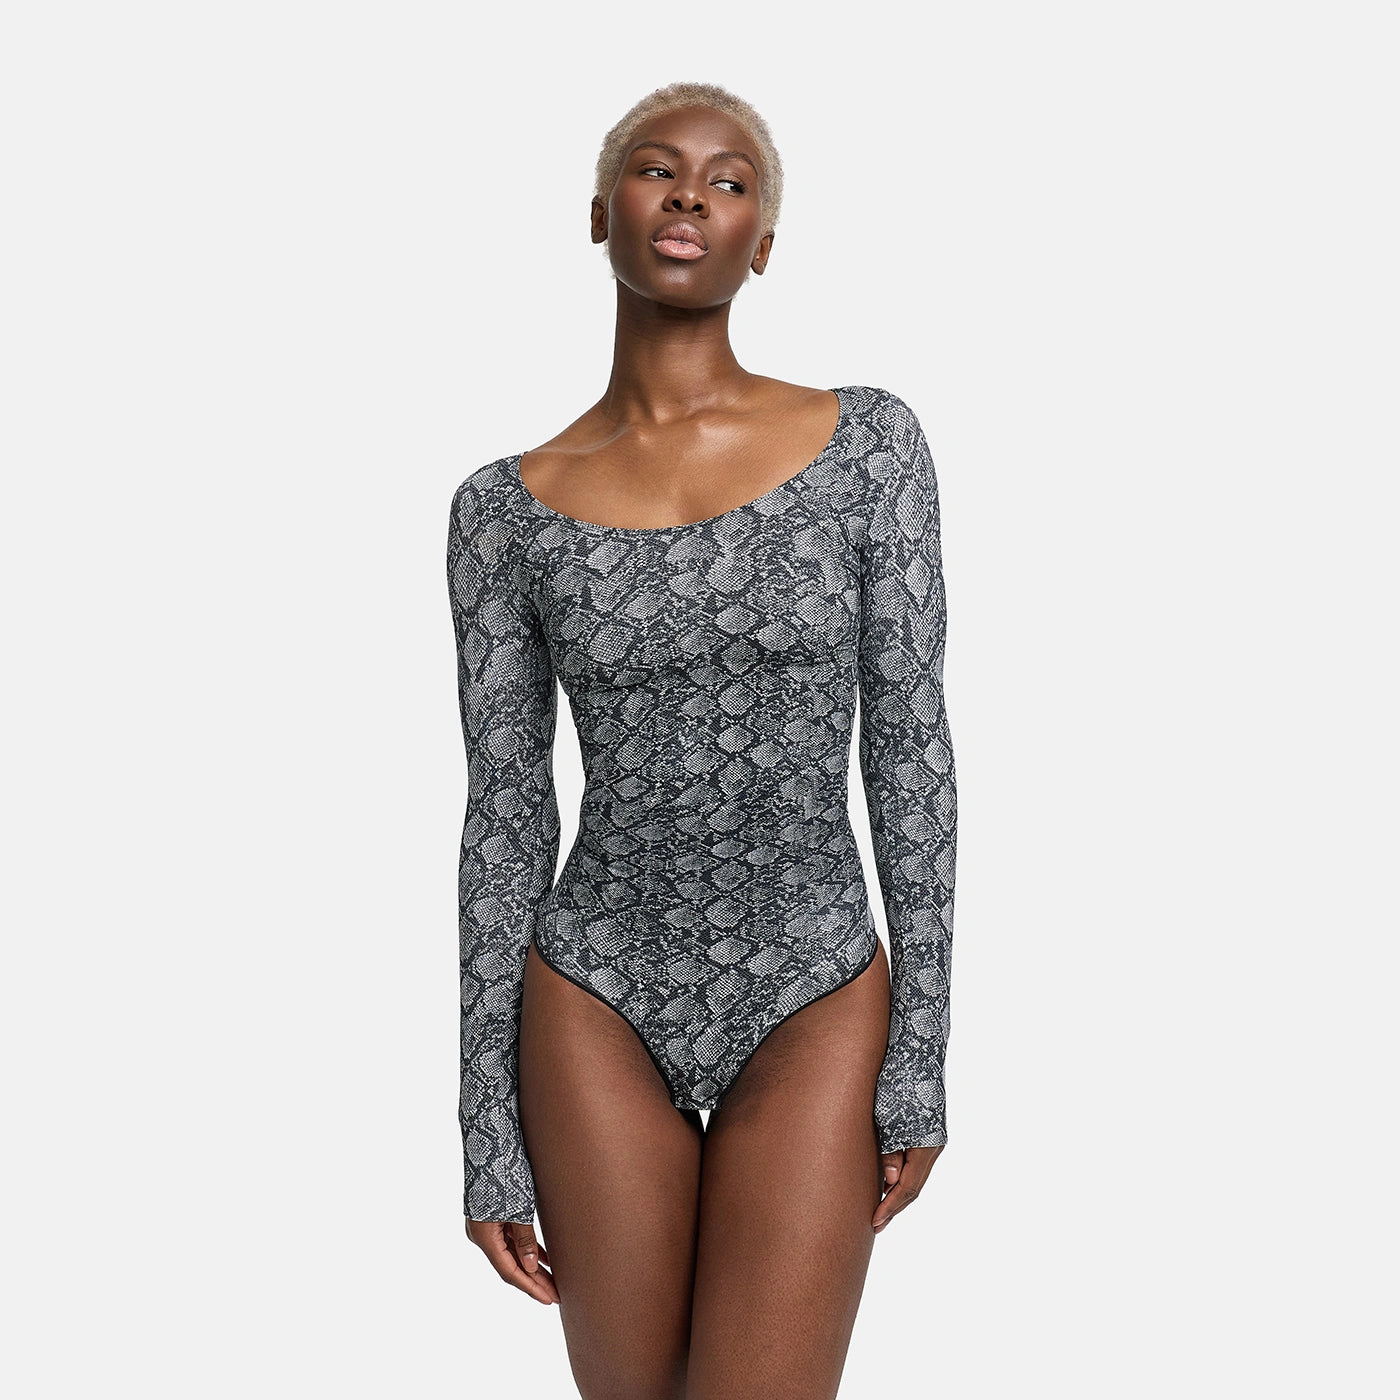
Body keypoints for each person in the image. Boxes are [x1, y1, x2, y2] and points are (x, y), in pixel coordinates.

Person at [446, 80, 958, 1399]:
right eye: (656, 168)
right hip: (594, 989)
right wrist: (486, 1124)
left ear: (761, 244)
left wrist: (922, 1053)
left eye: (730, 181)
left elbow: (911, 752)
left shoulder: (868, 446)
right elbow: (506, 814)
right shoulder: (501, 514)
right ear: (600, 214)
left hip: (814, 981)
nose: (690, 192)